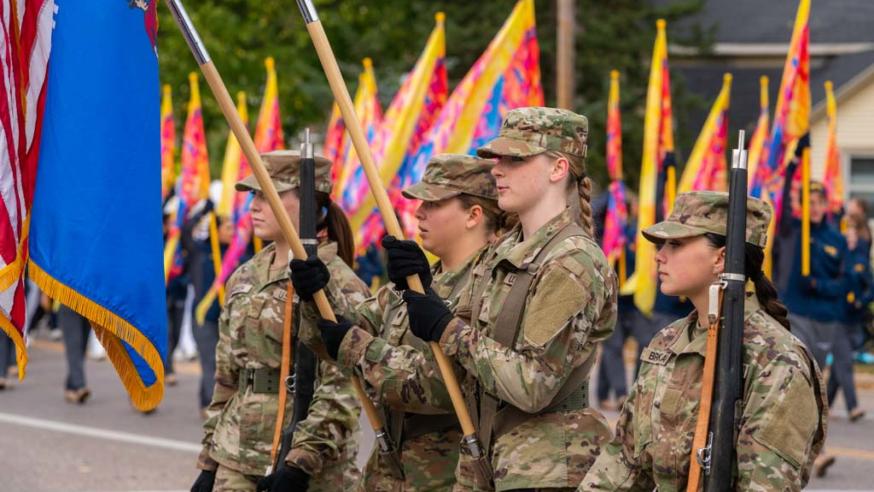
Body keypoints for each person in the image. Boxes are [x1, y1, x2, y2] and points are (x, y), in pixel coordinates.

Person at [357, 107, 617, 490]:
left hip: (542, 470)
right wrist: (422, 290)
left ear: (558, 169)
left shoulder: (570, 262)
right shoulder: (504, 253)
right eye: (498, 159)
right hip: (488, 461)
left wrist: (448, 328)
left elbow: (532, 384)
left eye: (515, 160)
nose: (498, 170)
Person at [580, 191, 827, 491]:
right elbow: (623, 463)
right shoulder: (668, 342)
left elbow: (764, 485)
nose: (660, 255)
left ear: (721, 257)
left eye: (676, 244)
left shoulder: (777, 361)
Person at [291, 154, 504, 490]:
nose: (419, 212)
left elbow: (440, 385)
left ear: (473, 215)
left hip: (446, 479)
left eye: (433, 203)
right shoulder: (409, 285)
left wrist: (354, 345)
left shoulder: (492, 289)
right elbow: (333, 338)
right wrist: (316, 297)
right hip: (388, 475)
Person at [191, 151, 367, 492]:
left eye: (267, 195)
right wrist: (209, 462)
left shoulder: (338, 283)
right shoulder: (245, 276)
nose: (254, 206)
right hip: (237, 452)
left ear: (307, 204)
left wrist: (301, 463)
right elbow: (228, 377)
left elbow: (344, 385)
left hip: (309, 461)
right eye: (254, 195)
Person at [772, 137, 845, 476]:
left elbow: (844, 282)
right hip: (796, 314)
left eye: (819, 202)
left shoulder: (836, 238)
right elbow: (783, 207)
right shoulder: (793, 230)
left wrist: (820, 285)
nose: (813, 206)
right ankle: (812, 448)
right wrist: (793, 165)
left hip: (826, 319)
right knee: (801, 380)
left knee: (818, 387)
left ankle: (807, 445)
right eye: (809, 201)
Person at [180, 199, 241, 416]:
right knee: (210, 363)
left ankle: (208, 402)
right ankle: (210, 405)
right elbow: (185, 231)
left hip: (227, 318)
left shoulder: (235, 255)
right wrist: (203, 212)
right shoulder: (200, 252)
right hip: (204, 317)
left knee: (225, 364)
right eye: (227, 227)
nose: (232, 231)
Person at [828, 211, 871, 422]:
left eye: (854, 237)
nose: (850, 240)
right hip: (836, 318)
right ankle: (853, 407)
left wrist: (861, 301)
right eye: (848, 237)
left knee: (838, 367)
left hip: (852, 319)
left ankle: (824, 406)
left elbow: (870, 288)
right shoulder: (839, 259)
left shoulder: (860, 261)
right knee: (844, 362)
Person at [59, 305, 92, 403]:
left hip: (88, 303)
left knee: (82, 347)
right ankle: (79, 386)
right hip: (68, 300)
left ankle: (71, 386)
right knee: (74, 343)